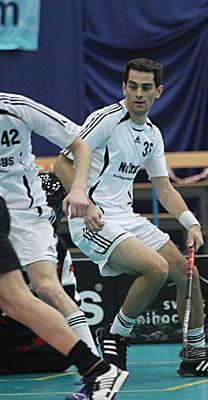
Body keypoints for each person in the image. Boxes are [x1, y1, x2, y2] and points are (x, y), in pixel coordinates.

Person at [54, 57, 208, 377]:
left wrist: (191, 222)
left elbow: (164, 189)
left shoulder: (152, 134)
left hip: (125, 216)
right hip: (92, 219)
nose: (139, 93)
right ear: (124, 87)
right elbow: (62, 163)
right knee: (156, 268)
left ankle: (194, 355)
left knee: (187, 273)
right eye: (133, 86)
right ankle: (115, 335)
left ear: (158, 91)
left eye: (146, 87)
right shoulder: (106, 120)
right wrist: (86, 203)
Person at [0, 94, 103, 364]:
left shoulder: (19, 109)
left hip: (25, 213)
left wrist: (79, 190)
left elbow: (79, 145)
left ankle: (95, 366)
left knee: (47, 286)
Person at [0, 195, 128, 399]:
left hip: (21, 214)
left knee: (32, 293)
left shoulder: (52, 244)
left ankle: (96, 368)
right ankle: (96, 368)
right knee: (17, 298)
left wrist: (79, 190)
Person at [0, 172, 88, 399]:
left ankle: (94, 368)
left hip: (37, 339)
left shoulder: (57, 248)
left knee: (60, 356)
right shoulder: (6, 243)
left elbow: (68, 302)